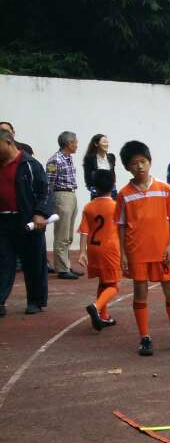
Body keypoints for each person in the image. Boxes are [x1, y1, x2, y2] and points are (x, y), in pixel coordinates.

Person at [114, 140, 170, 355]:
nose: (140, 167)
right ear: (127, 167)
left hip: (162, 251)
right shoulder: (124, 194)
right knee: (140, 291)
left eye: (143, 161)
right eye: (134, 164)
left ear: (150, 162)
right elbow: (121, 226)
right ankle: (145, 337)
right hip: (138, 252)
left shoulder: (164, 188)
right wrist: (123, 255)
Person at [0, 130, 50, 317]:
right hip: (3, 221)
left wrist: (39, 214)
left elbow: (44, 191)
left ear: (8, 142)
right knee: (3, 262)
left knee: (33, 262)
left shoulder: (30, 164)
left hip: (27, 220)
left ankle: (35, 301)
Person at [79, 169, 121, 330]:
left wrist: (82, 252)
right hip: (109, 250)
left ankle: (103, 316)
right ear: (114, 184)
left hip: (93, 249)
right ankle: (96, 307)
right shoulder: (116, 207)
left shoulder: (89, 206)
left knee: (103, 282)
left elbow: (84, 230)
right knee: (113, 285)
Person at [46, 131, 81, 279]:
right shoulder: (55, 160)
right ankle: (61, 268)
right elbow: (49, 183)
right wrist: (50, 202)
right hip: (61, 195)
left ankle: (65, 265)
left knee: (68, 234)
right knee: (62, 233)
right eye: (75, 142)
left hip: (71, 194)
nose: (77, 144)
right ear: (69, 144)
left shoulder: (68, 158)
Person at [82, 134, 117, 198]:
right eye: (104, 142)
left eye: (107, 142)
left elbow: (113, 174)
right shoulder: (90, 158)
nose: (106, 144)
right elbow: (88, 178)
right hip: (97, 193)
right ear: (96, 144)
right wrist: (94, 190)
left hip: (111, 193)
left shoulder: (111, 157)